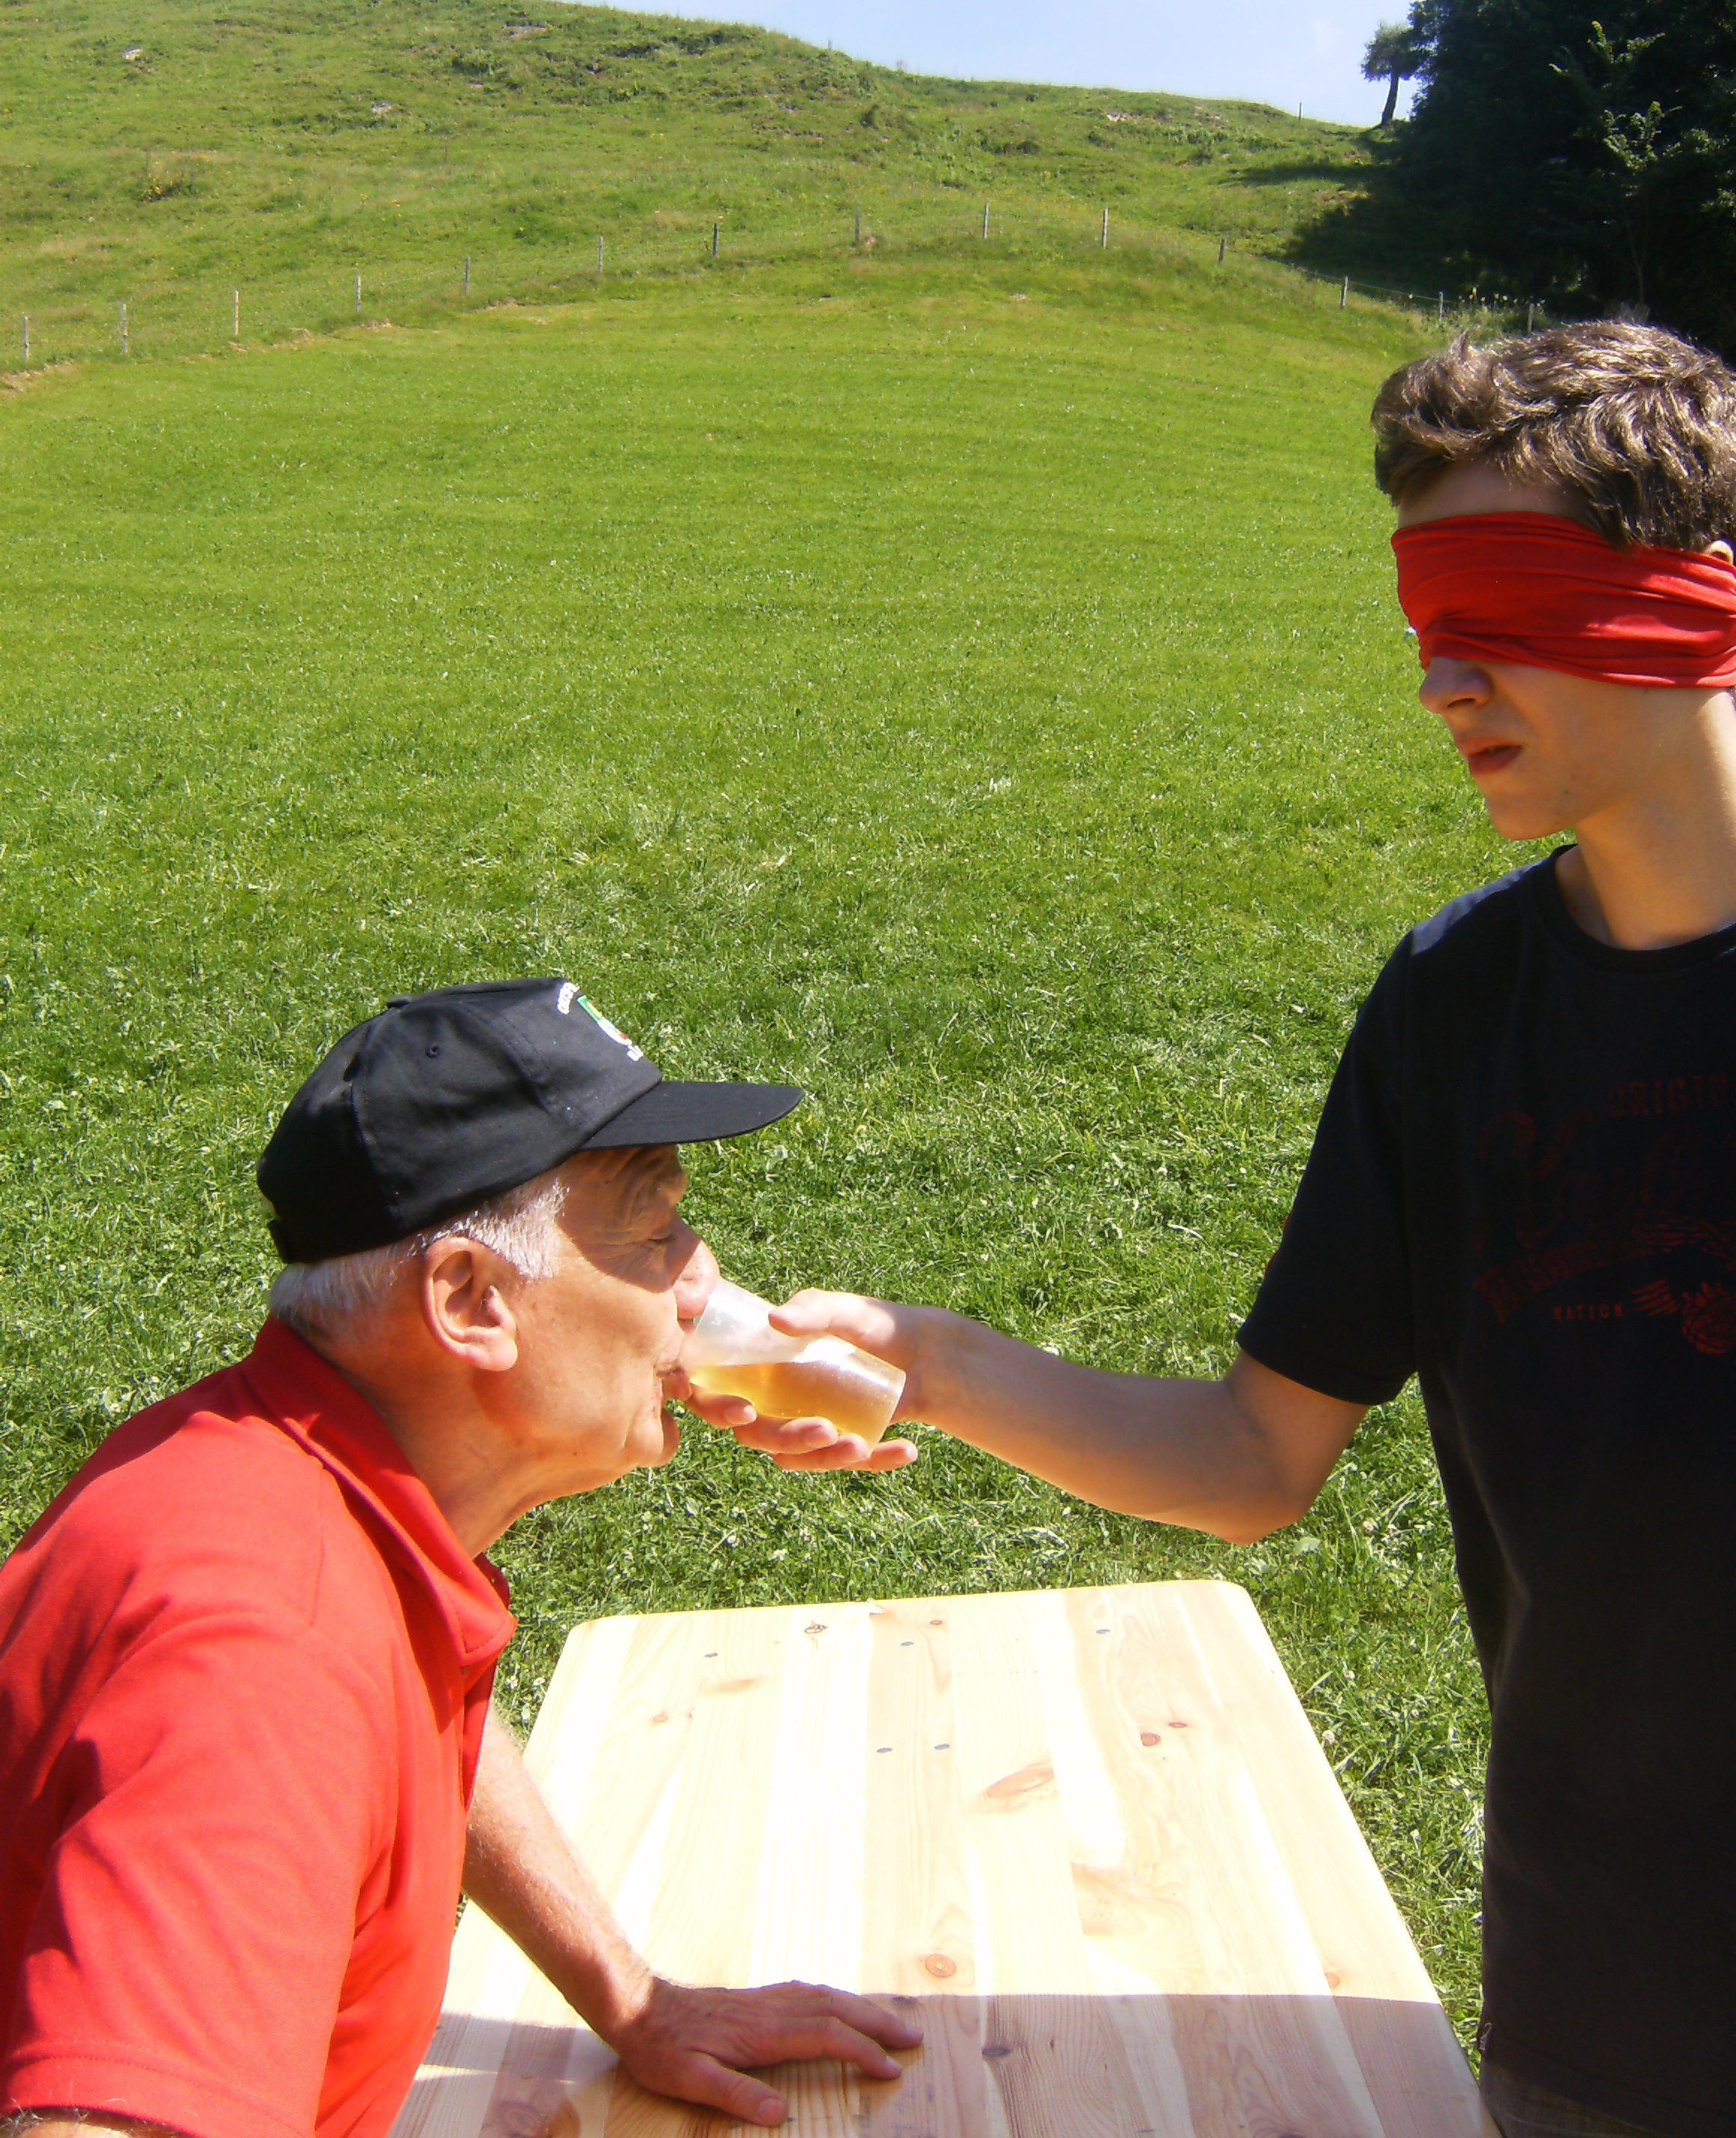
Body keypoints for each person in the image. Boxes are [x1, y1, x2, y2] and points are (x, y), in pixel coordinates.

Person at [744, 324, 1736, 2138]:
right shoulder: (1453, 1011)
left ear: (1689, 597)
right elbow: (1253, 1457)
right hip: (1601, 2005)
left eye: (1492, 609)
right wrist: (932, 1362)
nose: (1435, 677)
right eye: (1419, 618)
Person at [0, 979, 917, 2138]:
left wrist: (635, 2000)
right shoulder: (265, 1655)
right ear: (472, 1301)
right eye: (656, 1236)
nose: (704, 1283)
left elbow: (420, 1714)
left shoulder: (300, 1475)